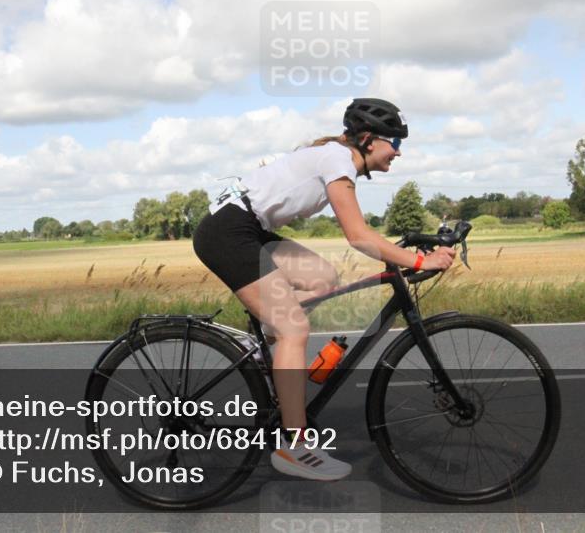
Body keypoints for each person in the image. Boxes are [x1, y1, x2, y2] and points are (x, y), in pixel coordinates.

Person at [192, 98, 457, 481]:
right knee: (294, 328)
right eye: (394, 142)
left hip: (248, 227)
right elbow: (359, 236)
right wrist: (418, 261)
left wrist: (410, 247)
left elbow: (362, 234)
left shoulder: (336, 157)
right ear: (368, 140)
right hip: (228, 232)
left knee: (321, 277)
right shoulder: (337, 159)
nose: (398, 152)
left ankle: (271, 348)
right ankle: (294, 446)